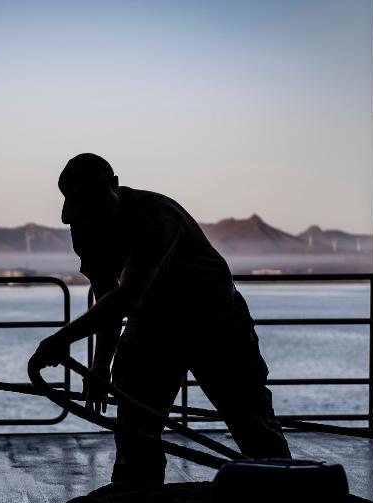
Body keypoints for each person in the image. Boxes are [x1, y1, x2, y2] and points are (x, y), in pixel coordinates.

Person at [30, 154, 291, 484]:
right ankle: (135, 500)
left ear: (114, 186)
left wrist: (60, 340)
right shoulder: (83, 223)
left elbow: (126, 297)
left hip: (215, 320)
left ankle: (286, 496)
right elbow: (106, 295)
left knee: (249, 418)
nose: (90, 215)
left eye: (96, 203)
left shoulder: (155, 215)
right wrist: (99, 367)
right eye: (83, 207)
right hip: (152, 322)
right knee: (135, 427)